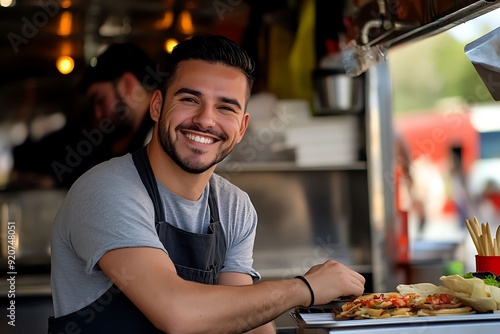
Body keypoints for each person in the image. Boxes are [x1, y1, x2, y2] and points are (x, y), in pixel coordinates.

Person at [48, 35, 365, 333]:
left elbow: (242, 315)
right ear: (157, 106)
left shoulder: (233, 205)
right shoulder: (107, 190)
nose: (205, 120)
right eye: (190, 99)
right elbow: (176, 312)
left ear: (241, 128)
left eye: (225, 107)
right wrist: (304, 289)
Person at [9, 43, 161, 188]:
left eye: (100, 100)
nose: (97, 114)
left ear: (128, 85)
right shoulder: (119, 141)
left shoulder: (161, 141)